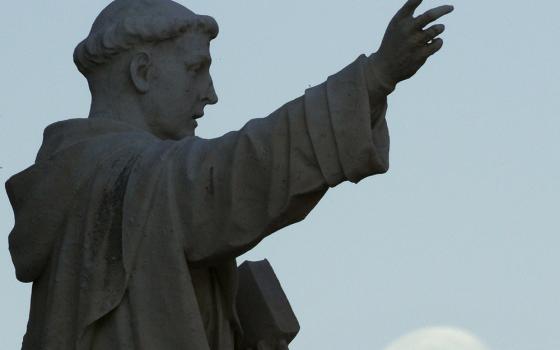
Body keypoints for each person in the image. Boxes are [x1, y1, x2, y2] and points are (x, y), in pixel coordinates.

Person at [6, 0, 453, 349]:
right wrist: (374, 78)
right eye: (195, 70)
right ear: (142, 73)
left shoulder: (88, 182)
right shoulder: (132, 177)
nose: (211, 94)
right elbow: (243, 169)